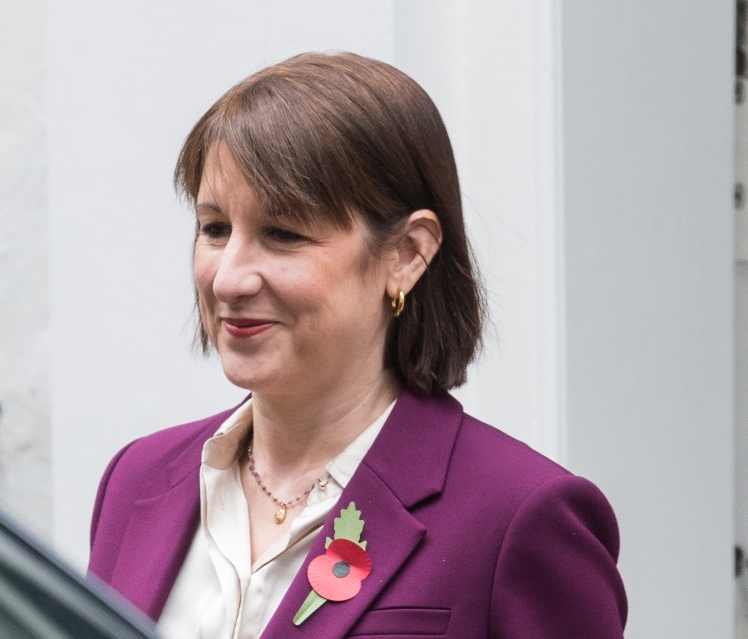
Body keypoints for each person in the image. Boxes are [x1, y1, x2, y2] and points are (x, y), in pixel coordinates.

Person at [88, 52, 627, 638]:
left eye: (283, 234)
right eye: (215, 229)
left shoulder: (518, 515)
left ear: (406, 254)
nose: (228, 279)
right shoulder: (138, 479)